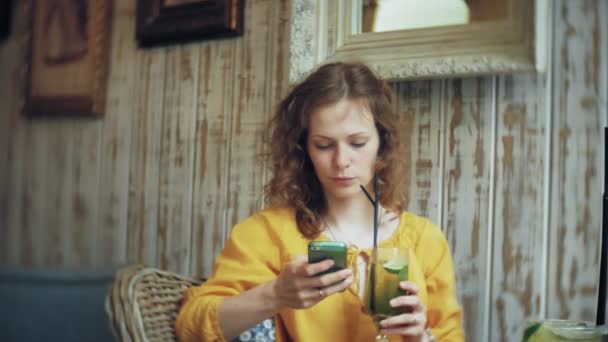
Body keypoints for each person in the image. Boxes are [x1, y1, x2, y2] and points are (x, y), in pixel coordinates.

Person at [176, 62, 464, 341]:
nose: (341, 162)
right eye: (324, 145)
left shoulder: (425, 241)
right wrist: (276, 295)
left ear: (382, 145)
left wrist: (419, 337)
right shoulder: (266, 233)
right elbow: (192, 326)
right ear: (304, 151)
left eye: (358, 143)